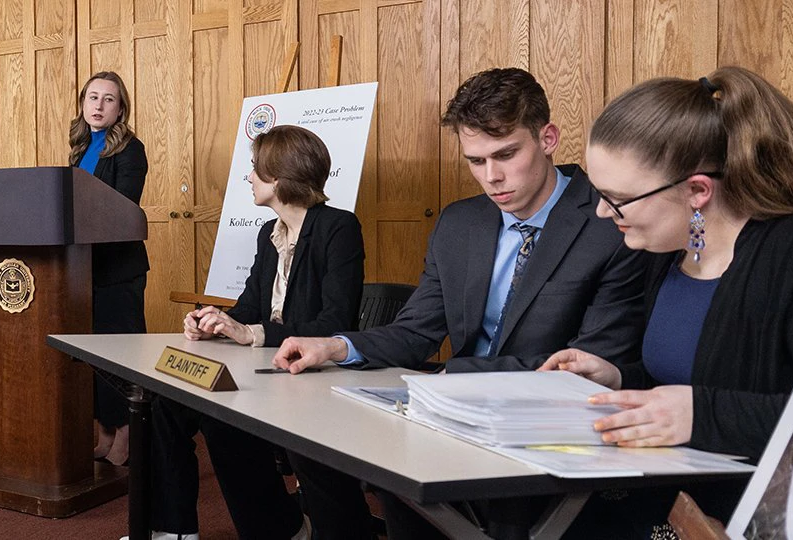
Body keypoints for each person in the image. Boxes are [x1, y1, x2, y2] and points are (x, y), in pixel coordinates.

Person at [270, 67, 656, 540]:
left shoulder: (609, 221)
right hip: (457, 415)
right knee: (321, 443)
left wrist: (462, 377)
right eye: (476, 161)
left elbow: (593, 360)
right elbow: (416, 331)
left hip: (551, 429)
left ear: (548, 138)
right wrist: (333, 347)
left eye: (507, 155)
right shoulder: (460, 223)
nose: (492, 177)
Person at [542, 66, 793, 536]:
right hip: (676, 504)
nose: (601, 212)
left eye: (617, 199)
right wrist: (619, 379)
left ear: (697, 190)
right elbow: (693, 377)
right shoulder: (671, 249)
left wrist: (702, 416)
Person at [137, 125, 364, 540]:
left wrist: (251, 334)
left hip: (309, 375)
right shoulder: (268, 233)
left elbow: (334, 324)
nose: (248, 177)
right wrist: (211, 323)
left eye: (255, 169)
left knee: (223, 418)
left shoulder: (338, 228)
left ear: (279, 177)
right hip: (264, 369)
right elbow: (247, 309)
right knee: (166, 404)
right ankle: (173, 531)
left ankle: (281, 529)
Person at [71, 71, 150, 466]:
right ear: (83, 103)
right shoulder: (80, 147)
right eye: (92, 98)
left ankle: (128, 433)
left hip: (119, 269)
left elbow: (122, 208)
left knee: (120, 352)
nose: (98, 106)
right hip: (84, 269)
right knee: (92, 354)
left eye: (108, 100)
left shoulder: (130, 150)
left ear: (121, 109)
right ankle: (103, 428)